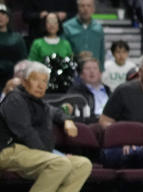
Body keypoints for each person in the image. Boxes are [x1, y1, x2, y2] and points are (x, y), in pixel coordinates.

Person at [0, 61, 92, 192]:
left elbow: (55, 112)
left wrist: (67, 120)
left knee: (82, 164)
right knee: (60, 163)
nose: (40, 85)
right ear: (25, 82)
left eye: (44, 81)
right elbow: (26, 134)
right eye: (35, 80)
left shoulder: (39, 103)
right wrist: (53, 155)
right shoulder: (15, 99)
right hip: (9, 150)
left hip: (32, 152)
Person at [62, 0, 105, 67]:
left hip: (94, 72)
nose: (85, 9)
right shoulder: (67, 27)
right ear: (77, 7)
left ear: (93, 8)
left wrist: (101, 70)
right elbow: (63, 52)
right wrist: (77, 56)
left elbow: (102, 52)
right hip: (74, 70)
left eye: (88, 6)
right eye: (82, 6)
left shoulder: (99, 28)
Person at [0, 4, 27, 83]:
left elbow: (23, 60)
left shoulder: (17, 38)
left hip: (13, 77)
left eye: (3, 14)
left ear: (8, 18)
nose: (0, 16)